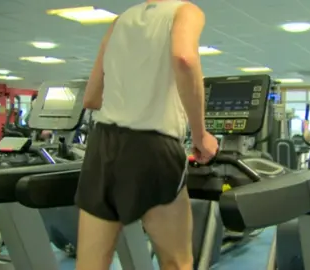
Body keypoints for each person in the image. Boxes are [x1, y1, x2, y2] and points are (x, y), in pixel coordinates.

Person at [75, 1, 218, 270]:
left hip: (103, 145)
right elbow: (184, 59)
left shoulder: (120, 20)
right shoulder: (185, 11)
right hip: (152, 147)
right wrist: (200, 135)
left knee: (89, 265)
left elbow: (92, 98)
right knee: (177, 262)